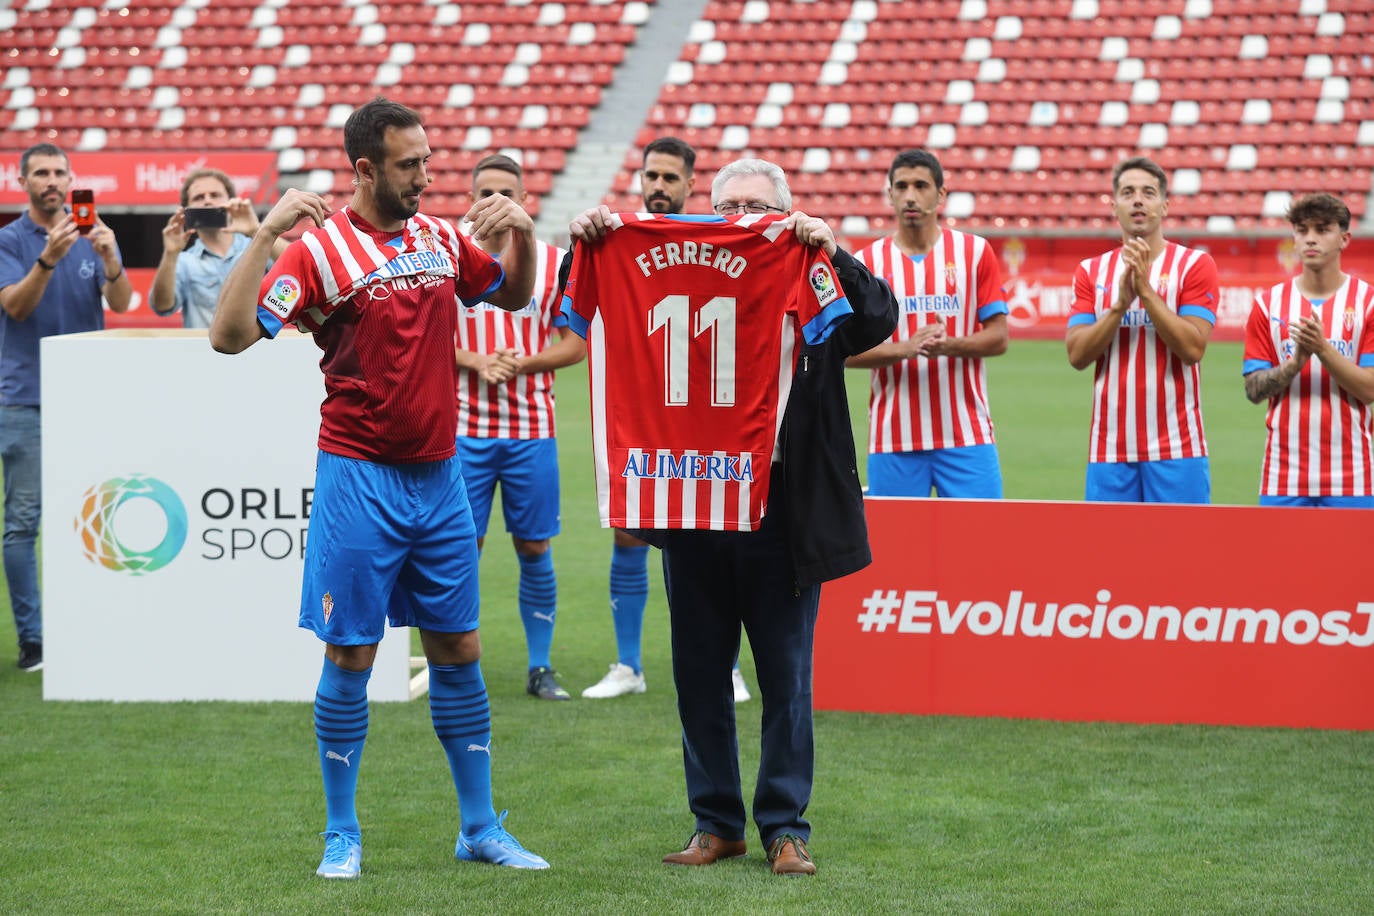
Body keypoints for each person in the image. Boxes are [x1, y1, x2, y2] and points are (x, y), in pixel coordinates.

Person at [209, 98, 549, 878]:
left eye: (427, 161)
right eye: (410, 165)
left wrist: (523, 231)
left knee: (459, 644)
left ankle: (479, 827)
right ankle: (341, 831)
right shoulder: (318, 251)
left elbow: (512, 296)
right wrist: (264, 235)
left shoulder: (438, 238)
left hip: (440, 477)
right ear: (365, 170)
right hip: (358, 477)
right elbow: (228, 338)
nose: (426, 178)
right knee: (353, 652)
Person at [563, 158, 898, 876]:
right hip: (695, 504)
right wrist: (584, 240)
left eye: (759, 205)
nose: (745, 216)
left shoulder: (806, 262)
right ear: (709, 214)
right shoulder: (671, 269)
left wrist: (830, 248)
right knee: (699, 674)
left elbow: (876, 321)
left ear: (787, 210)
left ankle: (785, 826)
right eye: (732, 205)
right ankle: (716, 821)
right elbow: (586, 299)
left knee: (786, 678)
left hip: (783, 508)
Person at [574, 137, 752, 702]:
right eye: (652, 175)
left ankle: (725, 665)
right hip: (641, 416)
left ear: (691, 186)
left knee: (717, 541)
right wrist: (585, 237)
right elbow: (575, 310)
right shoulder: (614, 240)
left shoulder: (729, 240)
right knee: (629, 535)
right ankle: (628, 665)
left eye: (671, 178)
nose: (658, 187)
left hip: (708, 419)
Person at [455, 153, 585, 701]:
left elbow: (575, 344)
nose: (494, 202)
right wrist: (475, 362)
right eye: (484, 192)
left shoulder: (553, 262)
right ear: (470, 199)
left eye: (505, 192)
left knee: (534, 547)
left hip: (532, 428)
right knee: (462, 548)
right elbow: (422, 339)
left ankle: (540, 666)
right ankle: (458, 664)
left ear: (525, 199)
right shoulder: (446, 257)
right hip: (462, 431)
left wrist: (518, 363)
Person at [0, 143, 132, 673]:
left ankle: (93, 625)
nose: (52, 182)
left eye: (60, 173)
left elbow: (120, 302)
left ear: (72, 179)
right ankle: (34, 641)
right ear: (23, 180)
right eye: (42, 173)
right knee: (23, 522)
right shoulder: (10, 240)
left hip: (87, 400)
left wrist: (111, 260)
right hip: (26, 398)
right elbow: (16, 306)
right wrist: (48, 260)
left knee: (95, 514)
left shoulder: (89, 236)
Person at [848, 148, 1010, 497]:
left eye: (921, 185)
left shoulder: (975, 252)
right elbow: (845, 353)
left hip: (967, 433)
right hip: (893, 437)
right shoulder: (866, 263)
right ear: (889, 194)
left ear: (941, 195)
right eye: (901, 186)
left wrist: (949, 345)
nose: (910, 196)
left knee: (980, 542)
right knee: (898, 549)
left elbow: (999, 337)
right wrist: (907, 348)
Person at [1065, 156, 1219, 503]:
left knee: (1181, 554)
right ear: (1114, 205)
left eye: (1148, 193)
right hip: (1109, 449)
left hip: (1179, 446)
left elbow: (1193, 348)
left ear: (1164, 206)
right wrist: (1119, 305)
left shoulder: (1195, 265)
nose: (1138, 200)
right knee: (1111, 556)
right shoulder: (1090, 271)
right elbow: (1076, 354)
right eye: (1128, 192)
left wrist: (1146, 293)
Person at [1242, 192, 1374, 506]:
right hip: (1282, 474)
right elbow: (1253, 391)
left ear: (1344, 238)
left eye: (1322, 229)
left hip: (1352, 473)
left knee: (1352, 558)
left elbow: (1370, 389)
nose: (1310, 239)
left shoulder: (1367, 303)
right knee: (1280, 558)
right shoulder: (1268, 304)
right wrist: (1292, 365)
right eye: (1302, 231)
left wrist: (1322, 350)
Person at [149, 167, 289, 328]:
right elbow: (162, 307)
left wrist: (256, 230)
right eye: (199, 197)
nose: (207, 201)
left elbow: (302, 266)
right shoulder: (183, 261)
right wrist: (170, 254)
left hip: (258, 347)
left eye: (215, 195)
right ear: (185, 210)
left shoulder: (258, 246)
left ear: (230, 201)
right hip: (204, 350)